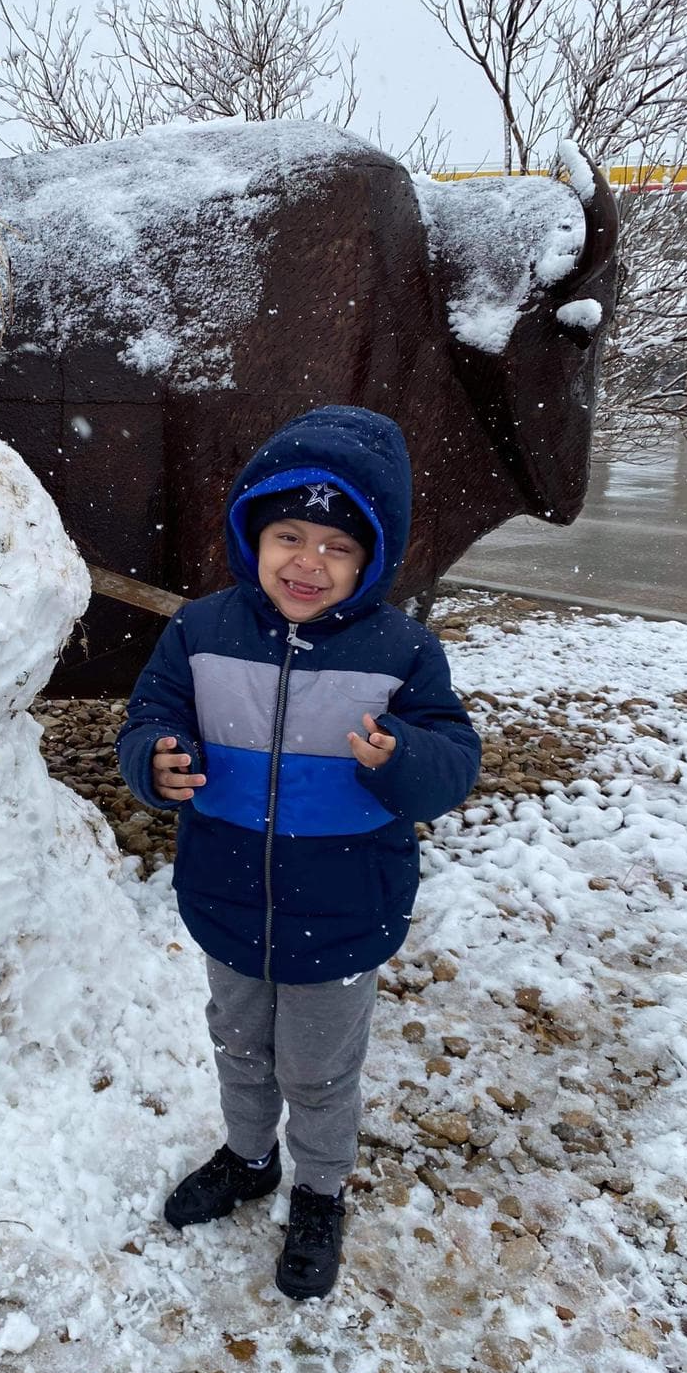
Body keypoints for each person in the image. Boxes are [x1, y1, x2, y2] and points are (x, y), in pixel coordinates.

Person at [116, 405, 481, 1300]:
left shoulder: (401, 651)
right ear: (253, 535)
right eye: (288, 534)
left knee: (319, 1070)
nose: (307, 562)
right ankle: (248, 1160)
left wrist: (402, 758)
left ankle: (319, 1190)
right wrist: (155, 764)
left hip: (343, 907)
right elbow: (150, 717)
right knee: (238, 1042)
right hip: (228, 892)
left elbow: (453, 765)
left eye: (336, 546)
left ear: (371, 561)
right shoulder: (201, 632)